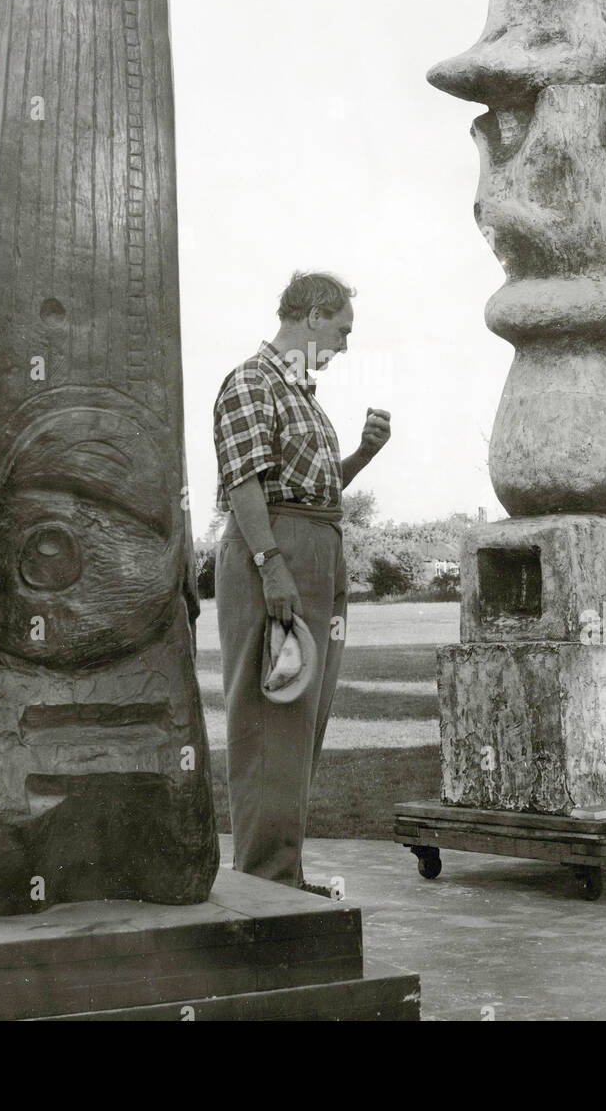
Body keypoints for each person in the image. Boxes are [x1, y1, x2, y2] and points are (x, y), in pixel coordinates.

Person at [213, 271, 391, 889]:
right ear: (313, 314)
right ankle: (264, 881)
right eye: (341, 330)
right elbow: (244, 486)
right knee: (271, 715)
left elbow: (311, 486)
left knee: (300, 722)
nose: (344, 344)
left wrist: (364, 454)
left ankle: (280, 875)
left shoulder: (299, 392)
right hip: (277, 553)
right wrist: (271, 564)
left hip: (316, 547)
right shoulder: (252, 381)